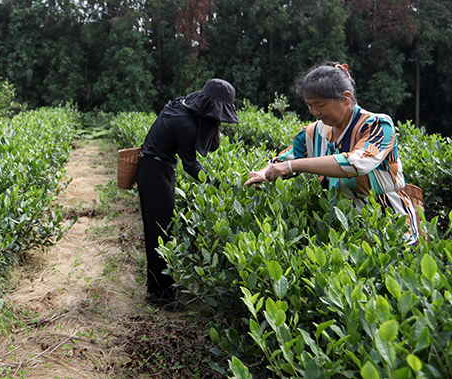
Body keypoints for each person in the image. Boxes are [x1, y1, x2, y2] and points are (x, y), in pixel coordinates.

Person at [244, 62, 419, 245]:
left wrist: (290, 166)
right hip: (343, 228)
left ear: (345, 98)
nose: (314, 112)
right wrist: (264, 173)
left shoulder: (377, 125)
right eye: (309, 105)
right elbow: (286, 158)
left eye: (320, 105)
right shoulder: (313, 133)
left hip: (390, 224)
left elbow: (356, 163)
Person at [136, 79, 239, 308]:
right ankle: (159, 296)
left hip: (157, 168)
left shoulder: (183, 105)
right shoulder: (185, 124)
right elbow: (191, 166)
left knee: (162, 230)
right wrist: (220, 185)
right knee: (160, 233)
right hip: (155, 172)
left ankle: (161, 289)